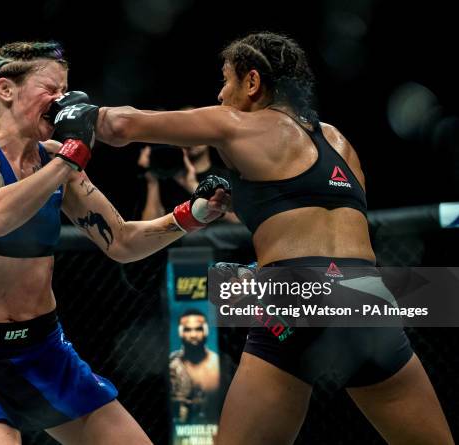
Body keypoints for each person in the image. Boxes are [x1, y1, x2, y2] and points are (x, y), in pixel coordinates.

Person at [91, 31, 454, 444]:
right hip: (365, 296)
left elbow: (119, 125)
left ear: (252, 82)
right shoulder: (340, 142)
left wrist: (69, 109)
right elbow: (303, 217)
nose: (220, 92)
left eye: (226, 80)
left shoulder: (235, 122)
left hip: (294, 294)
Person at [0, 40, 230, 445]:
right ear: (6, 90)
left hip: (44, 351)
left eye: (65, 91)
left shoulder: (55, 159)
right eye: (50, 89)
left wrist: (190, 216)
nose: (62, 101)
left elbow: (120, 241)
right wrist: (68, 159)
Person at [138, 141, 240, 223]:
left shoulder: (225, 177)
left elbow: (240, 219)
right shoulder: (163, 177)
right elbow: (150, 229)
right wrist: (152, 178)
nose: (191, 140)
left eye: (196, 135)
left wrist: (193, 186)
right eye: (185, 136)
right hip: (177, 246)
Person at [169, 309, 220, 424]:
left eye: (198, 329)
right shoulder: (172, 364)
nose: (193, 335)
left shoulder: (217, 363)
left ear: (206, 331)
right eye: (187, 330)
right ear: (180, 332)